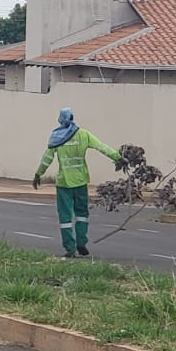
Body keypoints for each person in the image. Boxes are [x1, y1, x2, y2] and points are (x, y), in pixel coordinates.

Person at [33, 108, 121, 258]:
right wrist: (118, 157)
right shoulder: (83, 134)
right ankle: (82, 242)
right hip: (81, 181)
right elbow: (102, 147)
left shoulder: (56, 137)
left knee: (65, 217)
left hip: (64, 184)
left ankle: (70, 248)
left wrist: (38, 174)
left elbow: (47, 159)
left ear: (60, 120)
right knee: (82, 214)